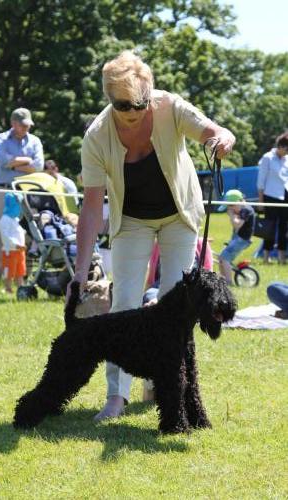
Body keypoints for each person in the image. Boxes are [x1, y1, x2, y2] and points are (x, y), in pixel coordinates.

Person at [69, 50, 235, 421]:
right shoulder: (96, 137)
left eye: (140, 104)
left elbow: (213, 130)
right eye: (123, 106)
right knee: (124, 302)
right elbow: (92, 208)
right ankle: (116, 396)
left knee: (178, 305)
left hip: (178, 214)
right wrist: (80, 272)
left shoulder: (170, 106)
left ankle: (167, 386)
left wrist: (223, 138)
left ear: (150, 91)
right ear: (110, 100)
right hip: (131, 221)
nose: (133, 112)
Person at [0, 108, 44, 279]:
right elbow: (3, 161)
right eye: (23, 125)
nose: (27, 128)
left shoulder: (35, 141)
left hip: (27, 191)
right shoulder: (1, 138)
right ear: (13, 124)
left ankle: (21, 273)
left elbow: (38, 166)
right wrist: (27, 161)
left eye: (28, 125)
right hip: (5, 189)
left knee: (27, 231)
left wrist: (14, 163)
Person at [257, 132, 288, 264]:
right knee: (270, 227)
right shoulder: (267, 158)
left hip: (285, 196)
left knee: (284, 227)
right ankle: (266, 256)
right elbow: (261, 181)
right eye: (287, 149)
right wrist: (261, 201)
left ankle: (281, 257)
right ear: (281, 146)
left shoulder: (287, 160)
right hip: (270, 196)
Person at [217, 189, 255, 285]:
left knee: (225, 258)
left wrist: (231, 215)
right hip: (237, 239)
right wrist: (233, 214)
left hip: (242, 240)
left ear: (238, 202)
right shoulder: (241, 209)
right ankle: (222, 279)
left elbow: (237, 225)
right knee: (221, 258)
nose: (230, 209)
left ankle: (228, 282)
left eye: (231, 206)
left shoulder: (246, 210)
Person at [0, 193, 26, 293]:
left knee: (20, 270)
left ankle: (20, 287)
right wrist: (15, 244)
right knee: (9, 270)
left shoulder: (15, 219)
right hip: (10, 251)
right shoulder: (4, 220)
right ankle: (7, 288)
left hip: (20, 250)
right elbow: (5, 236)